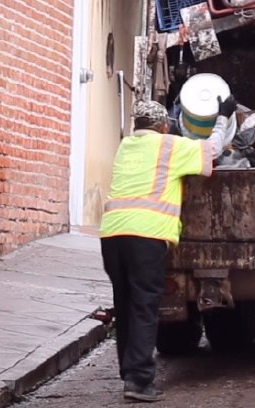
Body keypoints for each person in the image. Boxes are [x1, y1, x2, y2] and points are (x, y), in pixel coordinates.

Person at [99, 96, 235, 402]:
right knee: (146, 307)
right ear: (163, 126)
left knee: (125, 306)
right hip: (146, 236)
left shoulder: (125, 147)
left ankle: (130, 373)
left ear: (137, 126)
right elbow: (212, 150)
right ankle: (140, 380)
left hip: (111, 235)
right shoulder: (168, 146)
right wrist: (223, 117)